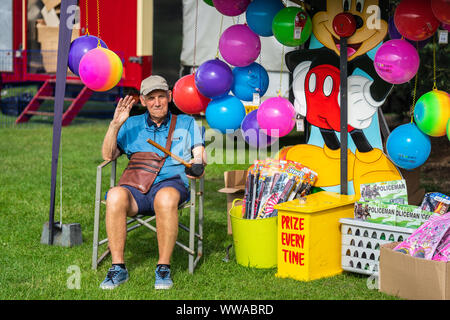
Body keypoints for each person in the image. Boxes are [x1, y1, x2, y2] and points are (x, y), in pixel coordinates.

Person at [100, 75, 205, 290]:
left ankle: (163, 267)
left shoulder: (186, 122)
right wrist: (114, 125)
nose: (157, 103)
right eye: (151, 98)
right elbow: (108, 155)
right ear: (143, 100)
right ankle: (118, 267)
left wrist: (198, 162)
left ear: (169, 96)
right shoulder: (130, 124)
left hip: (171, 183)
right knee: (114, 195)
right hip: (136, 187)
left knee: (165, 198)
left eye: (161, 97)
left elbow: (199, 152)